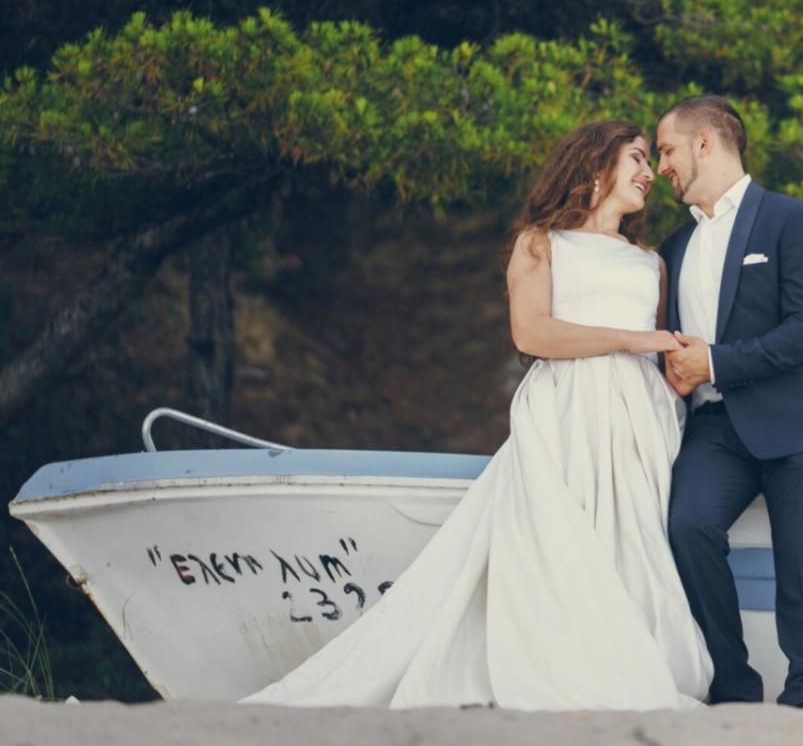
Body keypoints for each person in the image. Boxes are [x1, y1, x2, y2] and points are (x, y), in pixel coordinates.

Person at [243, 120, 712, 710]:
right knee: (562, 539)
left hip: (636, 421)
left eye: (649, 162)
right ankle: (564, 663)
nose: (649, 174)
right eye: (638, 159)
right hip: (565, 410)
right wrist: (632, 339)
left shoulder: (650, 263)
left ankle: (635, 657)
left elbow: (664, 350)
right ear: (595, 166)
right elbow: (533, 332)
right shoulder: (540, 242)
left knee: (631, 538)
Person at [654, 96, 803, 707]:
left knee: (802, 559)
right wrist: (677, 372)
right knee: (688, 526)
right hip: (715, 430)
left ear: (705, 143)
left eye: (666, 150)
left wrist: (714, 360)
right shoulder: (673, 249)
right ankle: (732, 683)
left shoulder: (792, 219)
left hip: (796, 424)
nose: (661, 166)